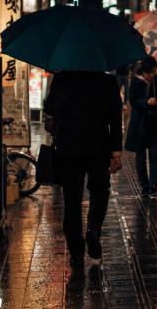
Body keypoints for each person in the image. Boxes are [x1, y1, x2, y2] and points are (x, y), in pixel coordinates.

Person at [44, 70, 123, 270]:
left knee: (72, 200)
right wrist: (116, 152)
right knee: (99, 192)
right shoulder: (108, 81)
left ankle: (76, 252)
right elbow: (115, 117)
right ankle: (94, 230)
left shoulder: (62, 77)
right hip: (99, 147)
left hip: (69, 148)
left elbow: (50, 107)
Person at [125, 56, 157, 197]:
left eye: (154, 72)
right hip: (140, 123)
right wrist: (146, 102)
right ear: (143, 72)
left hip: (154, 123)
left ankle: (153, 185)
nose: (152, 75)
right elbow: (133, 101)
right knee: (140, 156)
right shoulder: (136, 82)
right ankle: (144, 185)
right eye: (149, 73)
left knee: (154, 154)